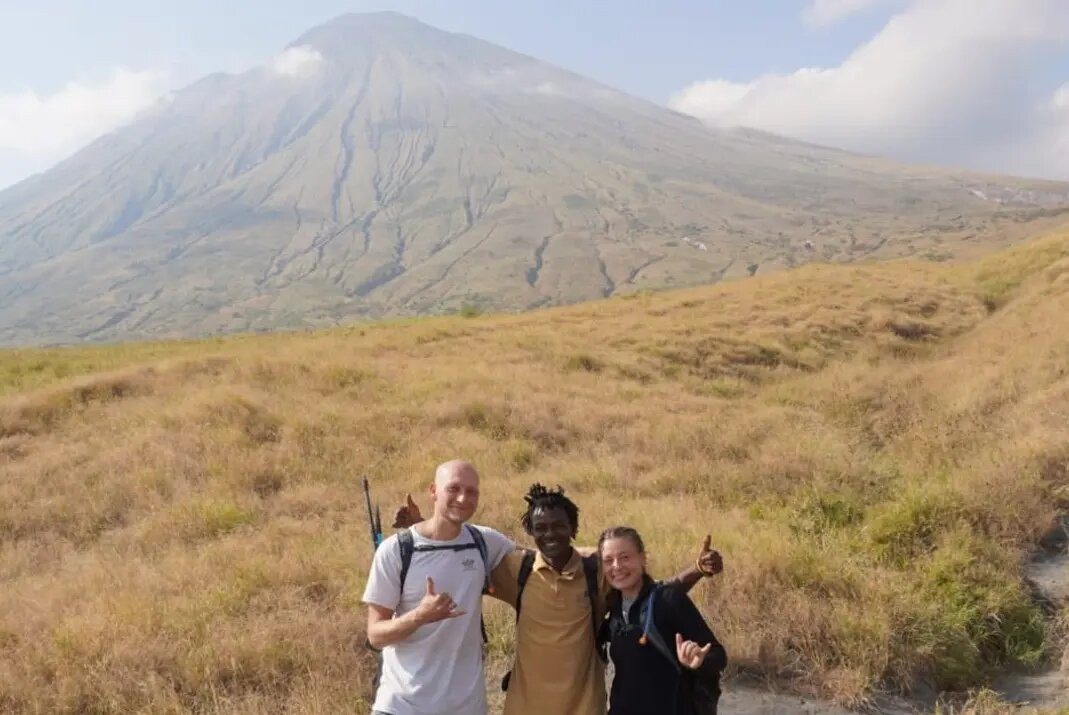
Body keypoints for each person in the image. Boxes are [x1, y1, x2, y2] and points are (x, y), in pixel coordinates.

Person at [393, 483, 722, 715]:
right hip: (526, 706)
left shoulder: (597, 569)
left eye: (559, 526)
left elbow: (651, 591)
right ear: (532, 533)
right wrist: (424, 531)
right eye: (541, 528)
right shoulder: (516, 568)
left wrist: (696, 570)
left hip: (584, 705)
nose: (550, 534)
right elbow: (457, 568)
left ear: (573, 528)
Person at [362, 460, 514, 715]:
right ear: (433, 491)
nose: (463, 498)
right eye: (453, 489)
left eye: (472, 491)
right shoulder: (396, 551)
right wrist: (419, 616)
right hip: (402, 707)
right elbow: (375, 636)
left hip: (467, 708)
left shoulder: (483, 541)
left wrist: (603, 554)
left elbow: (544, 558)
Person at [599, 525, 727, 715]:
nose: (616, 566)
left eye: (625, 557)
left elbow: (718, 655)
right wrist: (697, 569)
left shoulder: (668, 600)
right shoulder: (614, 608)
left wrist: (699, 659)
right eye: (608, 560)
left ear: (643, 558)